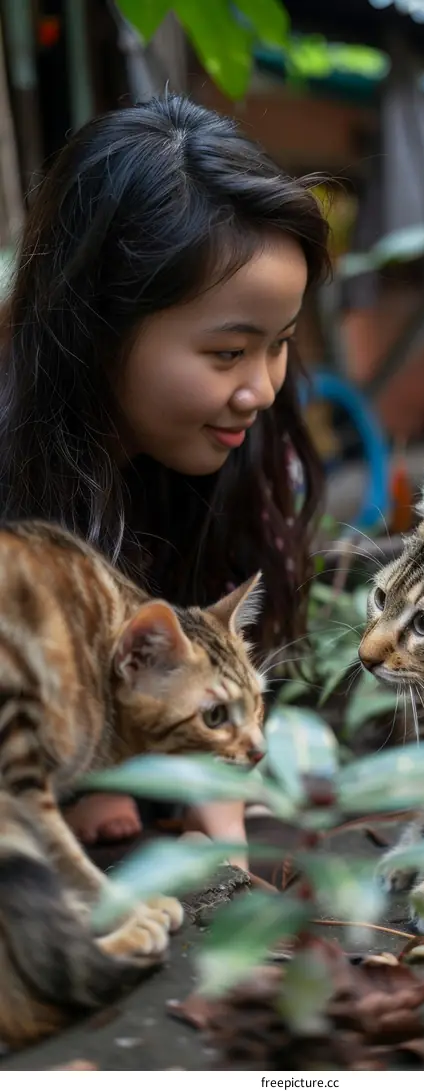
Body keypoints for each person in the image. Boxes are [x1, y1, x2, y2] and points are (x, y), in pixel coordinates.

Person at [0, 92, 330, 857]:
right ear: (100, 326)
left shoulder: (229, 451)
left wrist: (216, 806)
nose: (262, 388)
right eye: (227, 353)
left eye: (279, 343)